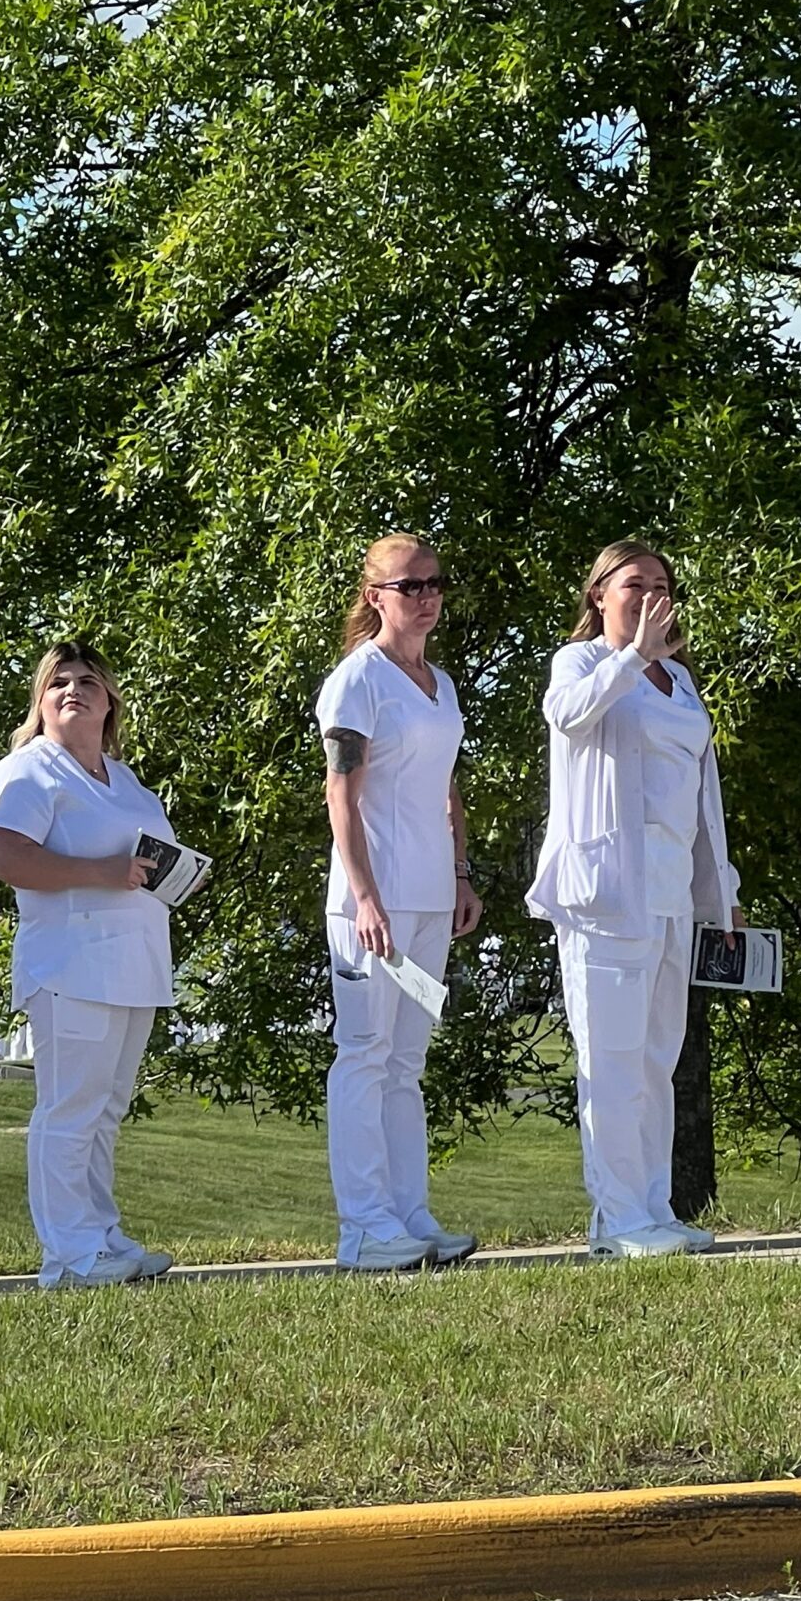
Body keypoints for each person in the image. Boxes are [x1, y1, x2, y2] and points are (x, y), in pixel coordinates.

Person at [526, 542, 741, 1258]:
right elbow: (569, 716)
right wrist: (627, 657)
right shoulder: (581, 663)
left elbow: (700, 793)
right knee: (611, 1058)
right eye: (632, 584)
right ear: (598, 596)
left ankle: (653, 1208)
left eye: (661, 585)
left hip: (671, 888)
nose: (650, 595)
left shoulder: (678, 680)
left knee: (655, 1058)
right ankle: (617, 1220)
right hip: (607, 892)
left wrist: (722, 890)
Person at [0, 643, 181, 1287]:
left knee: (105, 1110)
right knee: (69, 1109)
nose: (73, 690)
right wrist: (102, 873)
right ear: (40, 703)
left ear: (111, 698)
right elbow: (8, 857)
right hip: (72, 966)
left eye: (87, 680)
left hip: (135, 964)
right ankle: (69, 1254)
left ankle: (102, 1236)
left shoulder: (125, 781)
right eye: (57, 682)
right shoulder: (29, 772)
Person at [318, 534, 482, 1271]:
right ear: (374, 595)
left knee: (405, 1062)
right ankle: (365, 1227)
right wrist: (364, 896)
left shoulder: (439, 684)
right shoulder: (359, 680)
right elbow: (340, 792)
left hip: (427, 897)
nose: (424, 596)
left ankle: (409, 1213)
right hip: (371, 903)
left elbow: (447, 788)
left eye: (434, 583)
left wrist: (460, 874)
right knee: (365, 1055)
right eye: (408, 585)